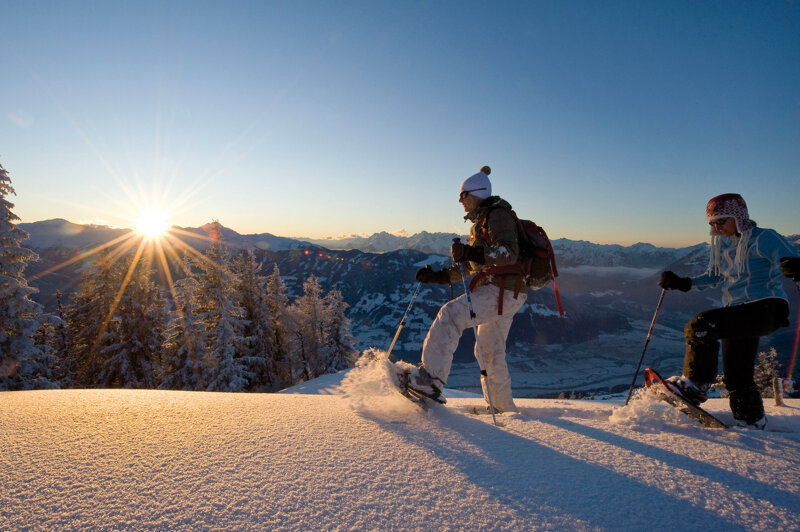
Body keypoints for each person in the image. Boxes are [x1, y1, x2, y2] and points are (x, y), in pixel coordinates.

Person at [659, 193, 800, 429]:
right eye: (712, 224)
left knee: (700, 325)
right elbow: (715, 276)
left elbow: (792, 257)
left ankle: (696, 385)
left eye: (721, 221)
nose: (717, 228)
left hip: (767, 307)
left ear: (739, 216)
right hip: (738, 312)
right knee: (737, 376)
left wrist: (795, 266)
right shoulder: (724, 245)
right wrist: (683, 283)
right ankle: (751, 420)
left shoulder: (764, 237)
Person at [407, 166, 534, 413]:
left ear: (476, 193)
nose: (460, 201)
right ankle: (504, 410)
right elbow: (474, 265)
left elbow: (508, 254)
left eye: (463, 195)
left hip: (502, 291)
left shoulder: (497, 216)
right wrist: (438, 277)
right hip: (509, 292)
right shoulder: (483, 222)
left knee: (450, 315)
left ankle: (429, 382)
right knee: (490, 351)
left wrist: (471, 251)